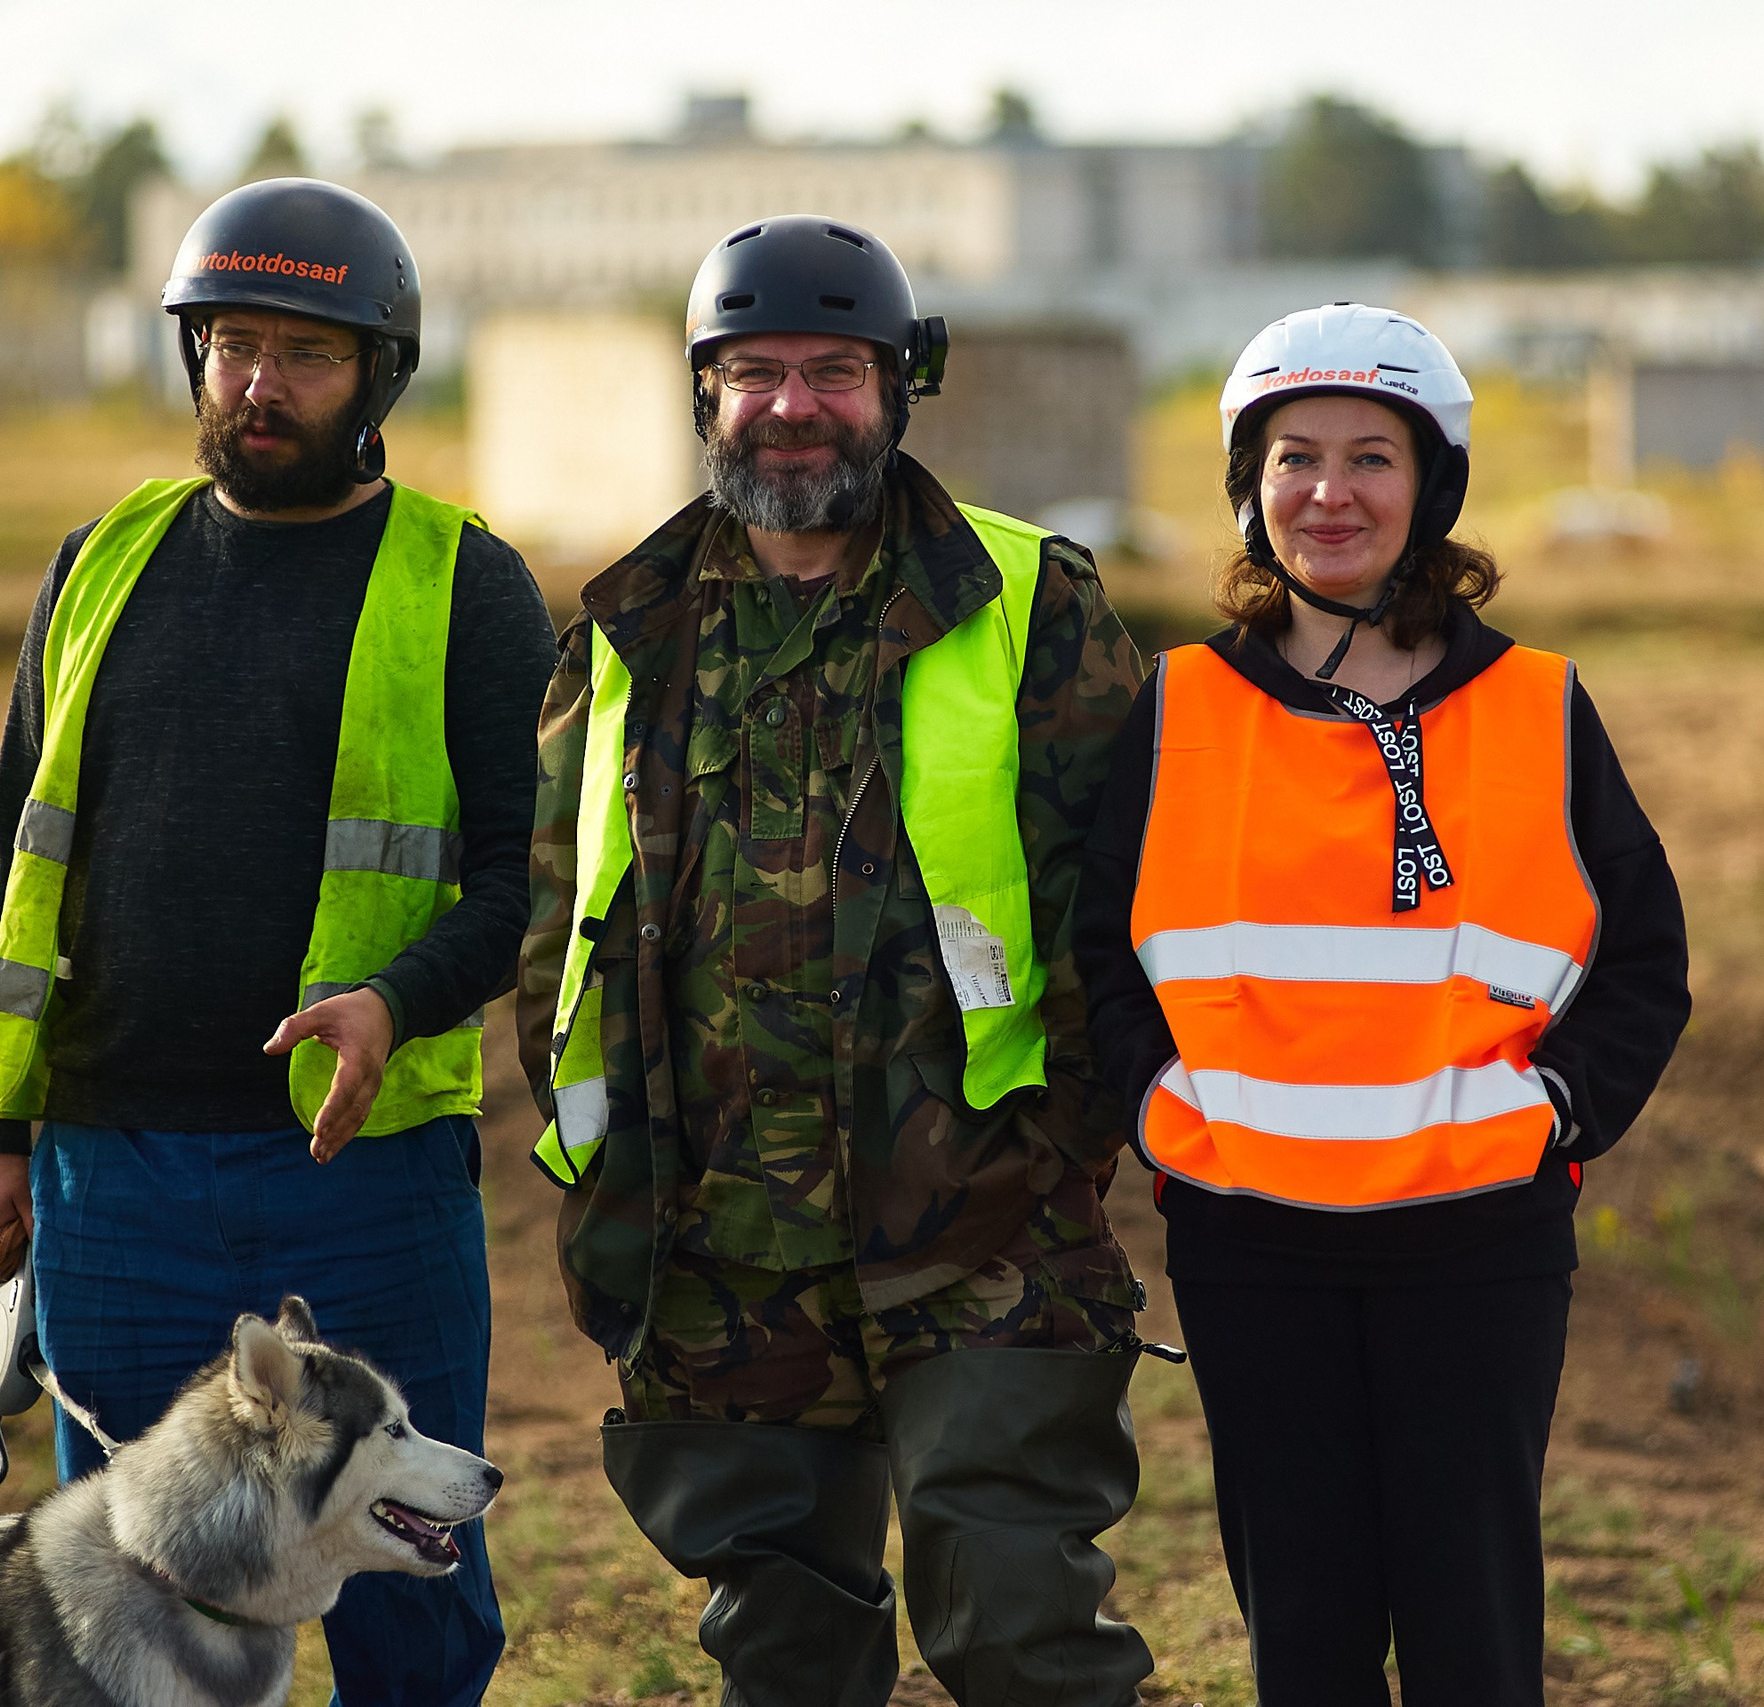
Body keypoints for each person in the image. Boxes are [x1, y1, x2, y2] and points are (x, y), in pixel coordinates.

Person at [521, 214, 1155, 1707]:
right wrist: (594, 1160)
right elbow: (559, 909)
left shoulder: (1023, 602)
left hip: (984, 1214)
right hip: (719, 1236)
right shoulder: (627, 628)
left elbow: (1125, 895)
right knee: (784, 1642)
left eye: (834, 370)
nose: (792, 405)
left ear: (899, 386)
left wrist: (1065, 1144)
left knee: (1016, 1621)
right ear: (704, 393)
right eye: (753, 372)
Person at [0, 179, 554, 1707]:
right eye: (229, 345)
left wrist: (393, 998)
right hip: (112, 1173)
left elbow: (513, 881)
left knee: (407, 1582)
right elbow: (19, 862)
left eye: (306, 352)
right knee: (129, 1599)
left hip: (360, 1182)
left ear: (381, 374)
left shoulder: (466, 582)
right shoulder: (100, 561)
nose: (259, 383)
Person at [1075, 304, 1692, 1704]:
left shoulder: (1539, 703)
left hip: (1477, 1241)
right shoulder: (1177, 706)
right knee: (1306, 1634)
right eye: (1294, 459)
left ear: (1433, 489)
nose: (1329, 492)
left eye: (1371, 458)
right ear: (1251, 489)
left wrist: (1558, 1108)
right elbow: (1101, 952)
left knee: (1475, 1639)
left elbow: (1645, 957)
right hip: (1251, 1241)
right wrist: (1160, 1108)